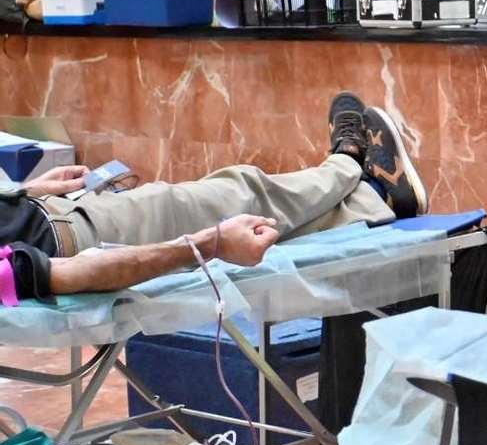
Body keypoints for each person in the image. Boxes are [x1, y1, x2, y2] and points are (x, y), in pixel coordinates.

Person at [1, 91, 425, 304]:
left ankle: (374, 200)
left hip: (47, 214)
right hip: (70, 241)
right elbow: (60, 275)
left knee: (241, 204)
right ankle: (348, 163)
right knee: (238, 193)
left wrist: (25, 191)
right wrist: (209, 245)